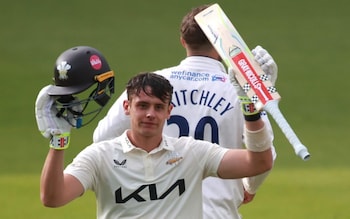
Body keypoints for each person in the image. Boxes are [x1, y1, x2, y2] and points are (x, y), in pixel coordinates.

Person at [93, 4, 277, 218]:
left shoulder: (150, 87)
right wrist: (249, 186)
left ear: (183, 42)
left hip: (159, 210)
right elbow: (266, 153)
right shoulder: (239, 89)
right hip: (217, 212)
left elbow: (102, 137)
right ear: (220, 47)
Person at [37, 72, 273, 218]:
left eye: (158, 107)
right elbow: (52, 197)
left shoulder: (191, 153)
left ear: (169, 112)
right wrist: (59, 143)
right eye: (142, 105)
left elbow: (259, 162)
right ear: (127, 107)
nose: (150, 114)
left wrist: (249, 108)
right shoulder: (99, 157)